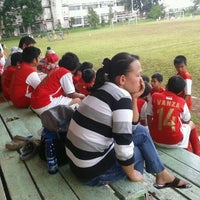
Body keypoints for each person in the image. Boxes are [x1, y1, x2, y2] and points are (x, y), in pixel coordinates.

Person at [66, 52, 192, 189]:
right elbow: (124, 148)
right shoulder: (120, 98)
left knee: (142, 132)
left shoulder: (103, 91)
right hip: (92, 174)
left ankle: (162, 175)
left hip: (78, 165)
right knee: (136, 152)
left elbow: (131, 128)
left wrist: (134, 99)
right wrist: (132, 173)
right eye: (138, 75)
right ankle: (139, 191)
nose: (141, 81)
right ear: (122, 80)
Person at [147, 75, 200, 156]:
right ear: (180, 91)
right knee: (191, 124)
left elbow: (149, 116)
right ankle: (197, 153)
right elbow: (187, 120)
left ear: (167, 85)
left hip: (155, 138)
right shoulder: (181, 101)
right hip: (174, 141)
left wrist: (151, 131)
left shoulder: (155, 96)